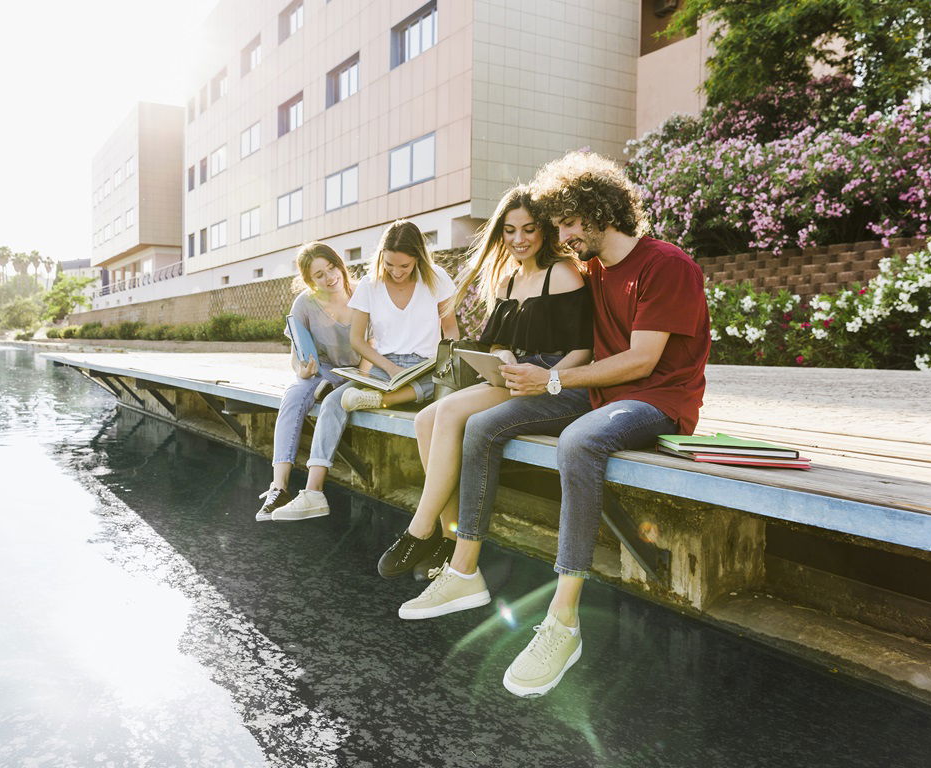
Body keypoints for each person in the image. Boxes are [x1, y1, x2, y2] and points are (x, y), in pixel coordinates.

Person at [396, 152, 710, 700]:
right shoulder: (590, 269)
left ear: (598, 211)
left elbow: (641, 362)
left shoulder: (667, 265)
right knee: (480, 426)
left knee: (578, 443)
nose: (560, 235)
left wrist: (553, 381)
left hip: (657, 400)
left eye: (567, 222)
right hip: (591, 393)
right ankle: (464, 568)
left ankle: (563, 620)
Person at [375, 186, 593, 582]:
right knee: (425, 419)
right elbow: (498, 341)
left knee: (453, 411)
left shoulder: (561, 274)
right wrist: (503, 356)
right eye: (509, 231)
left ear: (543, 230)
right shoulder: (508, 282)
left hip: (550, 378)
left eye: (528, 229)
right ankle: (445, 535)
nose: (519, 239)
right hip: (510, 374)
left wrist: (550, 379)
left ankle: (418, 530)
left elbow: (584, 348)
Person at [272, 220, 459, 521]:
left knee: (440, 385)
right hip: (386, 367)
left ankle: (387, 398)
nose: (396, 272)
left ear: (419, 259)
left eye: (405, 266)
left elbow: (450, 330)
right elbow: (358, 340)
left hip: (428, 364)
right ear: (381, 256)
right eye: (390, 264)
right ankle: (313, 492)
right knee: (334, 401)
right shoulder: (371, 285)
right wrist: (389, 367)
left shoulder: (436, 278)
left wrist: (449, 364)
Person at [256, 243, 361, 521]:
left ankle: (313, 490)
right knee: (292, 395)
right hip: (323, 371)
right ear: (309, 281)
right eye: (319, 275)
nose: (330, 277)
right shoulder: (304, 302)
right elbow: (296, 358)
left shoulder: (363, 294)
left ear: (340, 264)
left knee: (330, 401)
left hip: (359, 372)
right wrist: (302, 372)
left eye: (332, 268)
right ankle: (278, 487)